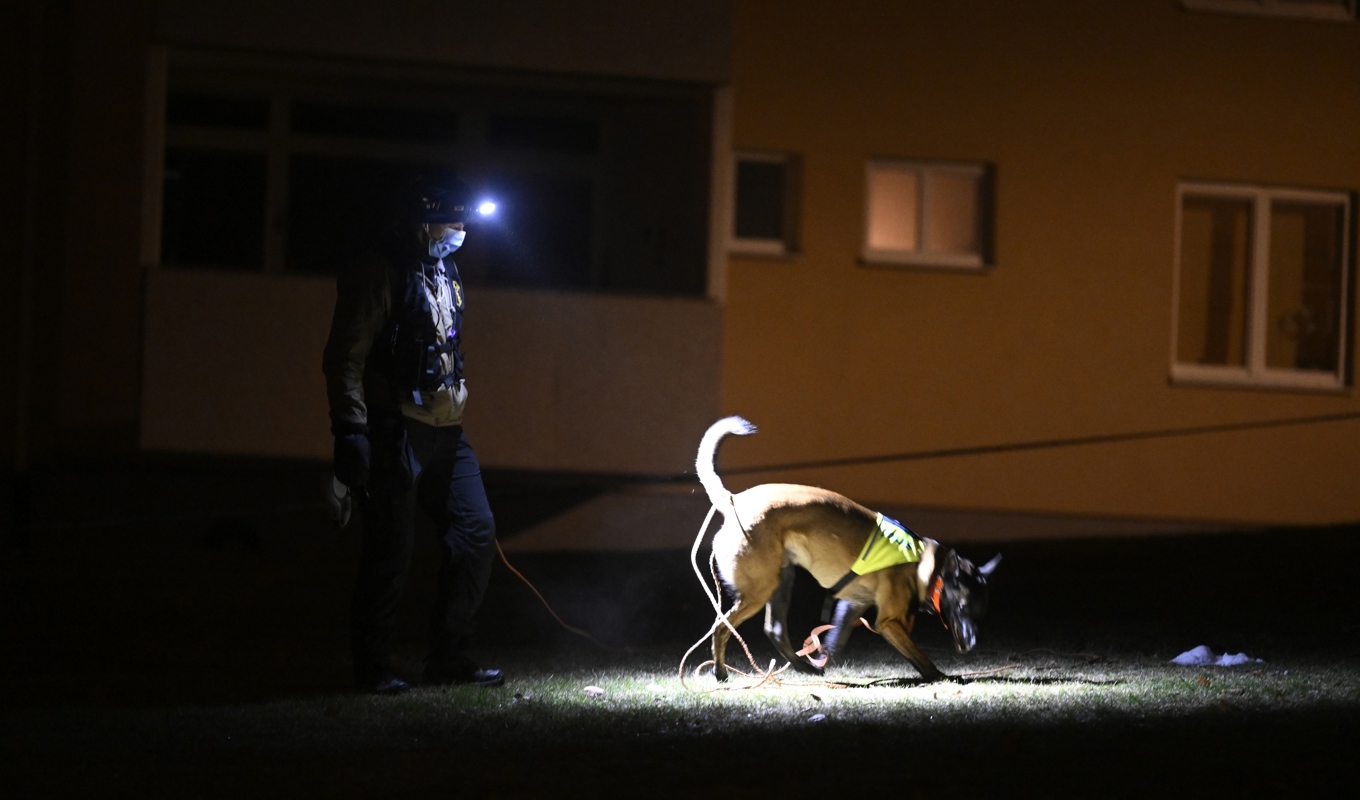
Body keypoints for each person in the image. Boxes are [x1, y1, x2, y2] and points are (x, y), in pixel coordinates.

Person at [322, 172, 503, 694]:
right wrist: (351, 431)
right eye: (453, 222)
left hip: (448, 430)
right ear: (422, 222)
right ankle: (373, 666)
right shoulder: (379, 270)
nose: (461, 232)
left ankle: (450, 657)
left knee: (476, 531)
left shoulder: (445, 268)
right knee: (391, 548)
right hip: (396, 427)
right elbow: (345, 357)